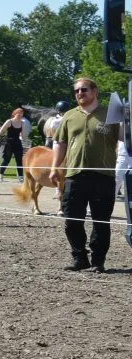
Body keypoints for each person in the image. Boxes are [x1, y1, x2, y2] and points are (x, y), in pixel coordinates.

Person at [51, 78, 122, 272]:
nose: (80, 94)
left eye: (84, 90)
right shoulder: (69, 116)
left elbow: (125, 137)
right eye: (76, 91)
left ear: (94, 91)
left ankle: (98, 262)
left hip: (103, 175)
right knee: (72, 219)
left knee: (101, 221)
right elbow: (60, 143)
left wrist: (127, 119)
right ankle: (79, 258)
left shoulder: (111, 113)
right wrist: (54, 167)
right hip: (75, 174)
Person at [0, 108, 29, 183]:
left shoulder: (22, 123)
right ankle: (1, 175)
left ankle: (21, 177)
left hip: (17, 142)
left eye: (21, 113)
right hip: (9, 143)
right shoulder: (9, 121)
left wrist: (25, 134)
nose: (20, 115)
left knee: (19, 160)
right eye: (18, 113)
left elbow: (24, 136)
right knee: (6, 160)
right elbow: (1, 131)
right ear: (14, 113)